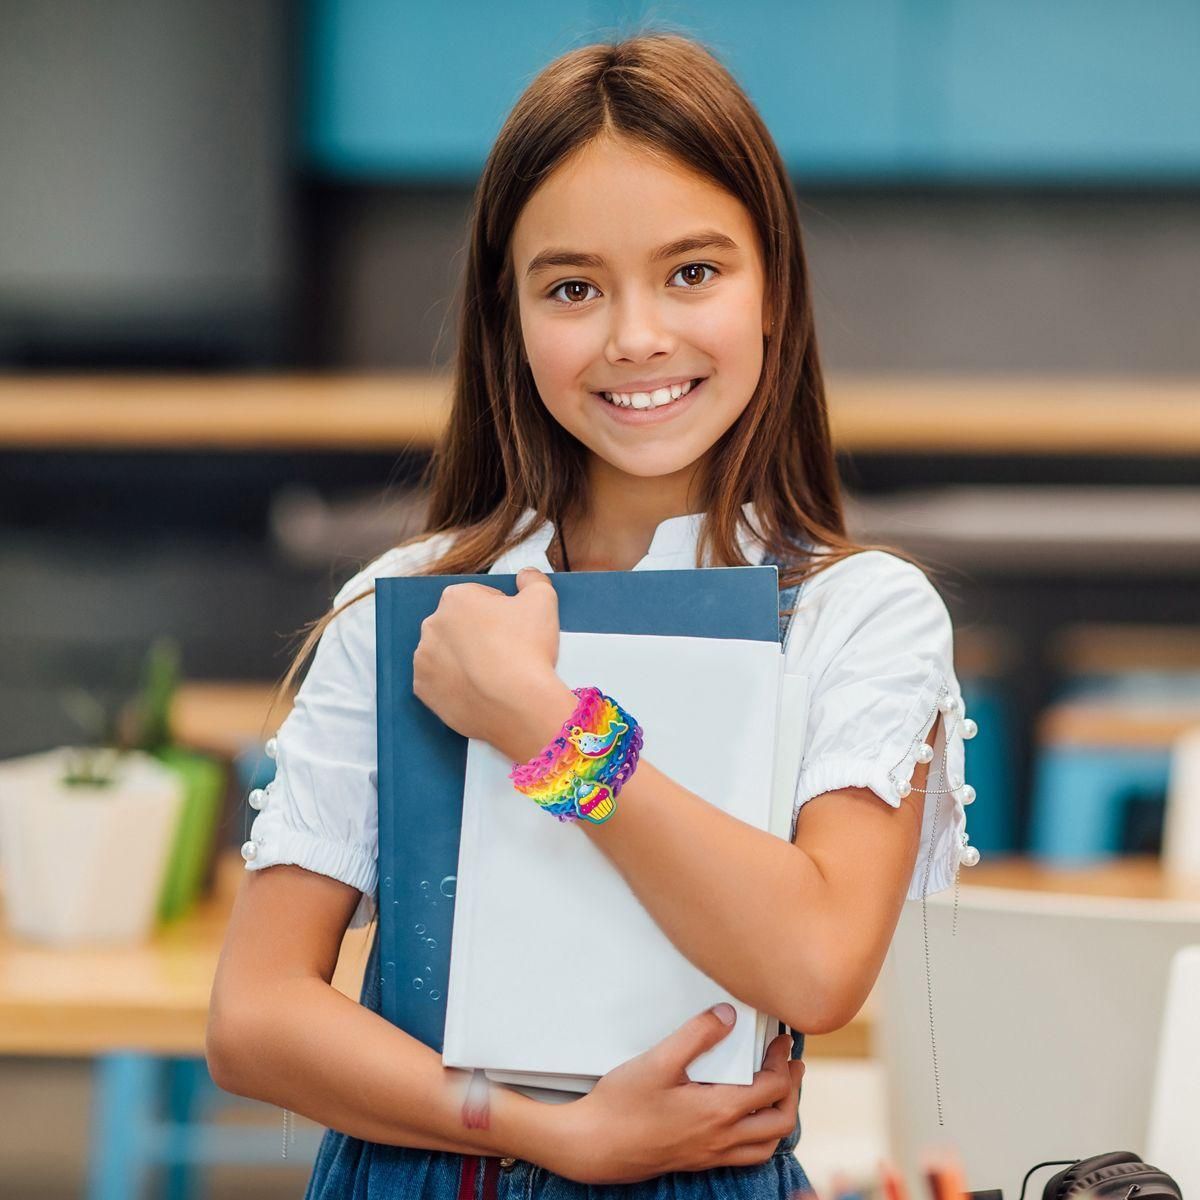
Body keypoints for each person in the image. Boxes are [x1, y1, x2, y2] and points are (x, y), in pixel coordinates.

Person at [207, 30, 979, 1199]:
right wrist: (545, 1131)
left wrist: (546, 725)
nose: (635, 337)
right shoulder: (407, 607)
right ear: (509, 316)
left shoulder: (858, 614)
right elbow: (254, 1018)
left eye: (693, 273)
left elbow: (817, 965)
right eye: (572, 287)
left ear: (774, 289)